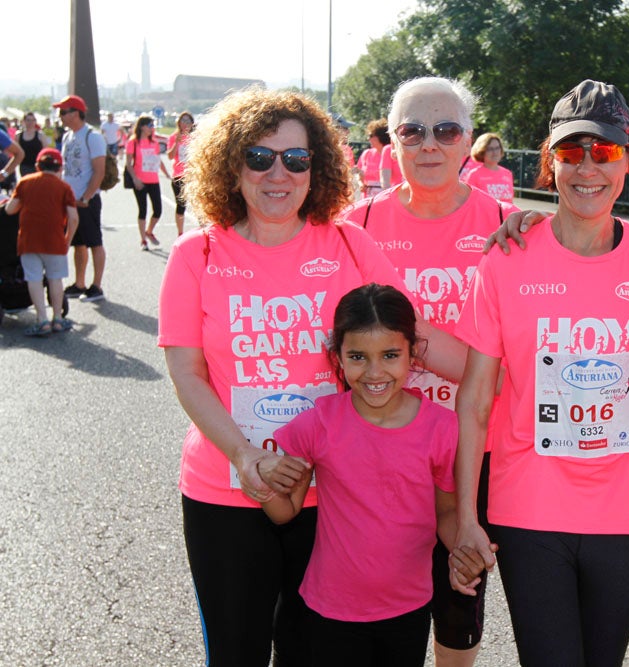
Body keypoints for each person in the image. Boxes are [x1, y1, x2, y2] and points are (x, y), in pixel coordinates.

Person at [157, 87, 466, 667]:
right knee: (236, 652)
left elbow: (412, 335)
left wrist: (503, 377)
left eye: (296, 159)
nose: (279, 173)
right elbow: (187, 374)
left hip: (335, 495)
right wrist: (245, 455)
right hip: (226, 490)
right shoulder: (194, 255)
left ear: (316, 167)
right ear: (231, 164)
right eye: (260, 157)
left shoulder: (351, 243)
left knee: (313, 654)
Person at [452, 79, 629, 667]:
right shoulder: (506, 258)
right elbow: (475, 400)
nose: (587, 168)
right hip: (528, 506)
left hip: (623, 508)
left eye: (603, 152)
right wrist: (463, 518)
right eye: (570, 152)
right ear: (549, 162)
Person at [342, 75, 518, 667]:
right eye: (412, 131)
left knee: (458, 601)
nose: (429, 145)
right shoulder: (355, 226)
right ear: (390, 142)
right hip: (381, 445)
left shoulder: (508, 225)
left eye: (446, 130)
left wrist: (405, 339)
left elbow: (506, 365)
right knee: (378, 601)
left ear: (469, 139)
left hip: (472, 449)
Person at [261, 282, 468, 667]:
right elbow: (284, 512)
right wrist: (262, 481)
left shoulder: (443, 428)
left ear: (413, 353)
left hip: (409, 606)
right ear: (337, 356)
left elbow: (447, 512)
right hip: (330, 609)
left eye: (390, 355)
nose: (375, 372)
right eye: (358, 356)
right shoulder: (319, 422)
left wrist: (463, 550)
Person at [4, 147, 78, 336]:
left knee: (34, 278)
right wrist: (67, 239)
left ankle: (42, 319)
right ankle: (58, 318)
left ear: (37, 165)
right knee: (55, 278)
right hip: (54, 240)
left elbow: (10, 210)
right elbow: (73, 217)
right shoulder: (64, 188)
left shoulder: (25, 182)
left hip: (28, 240)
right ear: (60, 168)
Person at [54, 94, 106, 303]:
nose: (60, 116)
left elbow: (99, 171)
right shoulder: (68, 136)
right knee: (78, 244)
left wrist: (86, 197)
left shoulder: (92, 136)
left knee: (94, 242)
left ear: (76, 113)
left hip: (87, 200)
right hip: (70, 200)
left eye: (63, 112)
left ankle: (96, 286)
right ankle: (80, 283)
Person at [126, 115, 171, 250]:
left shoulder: (155, 143)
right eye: (150, 126)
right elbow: (128, 163)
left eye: (153, 126)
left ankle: (149, 231)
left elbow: (158, 160)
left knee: (158, 210)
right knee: (143, 210)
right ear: (142, 127)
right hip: (140, 181)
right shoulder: (133, 143)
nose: (152, 128)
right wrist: (135, 178)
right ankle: (143, 239)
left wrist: (167, 174)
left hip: (153, 180)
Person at [461, 133, 515, 204]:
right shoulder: (474, 175)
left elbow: (510, 203)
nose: (495, 152)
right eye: (490, 149)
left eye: (497, 148)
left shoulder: (507, 173)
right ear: (482, 152)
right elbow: (469, 203)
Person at [167, 111, 194, 235]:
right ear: (179, 123)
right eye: (183, 121)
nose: (185, 123)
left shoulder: (195, 138)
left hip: (193, 176)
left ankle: (203, 230)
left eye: (188, 121)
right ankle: (180, 232)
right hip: (179, 175)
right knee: (181, 205)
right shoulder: (173, 137)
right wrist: (177, 142)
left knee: (199, 205)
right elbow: (170, 156)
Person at [357, 119, 390, 197]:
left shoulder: (393, 154)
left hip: (386, 196)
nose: (368, 139)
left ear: (381, 136)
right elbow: (359, 173)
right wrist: (361, 183)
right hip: (368, 198)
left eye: (371, 135)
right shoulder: (367, 154)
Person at [16, 112, 50, 177]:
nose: (30, 123)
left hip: (37, 167)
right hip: (24, 166)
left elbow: (46, 151)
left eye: (33, 120)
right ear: (24, 121)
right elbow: (16, 152)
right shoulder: (18, 135)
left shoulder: (40, 135)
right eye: (28, 120)